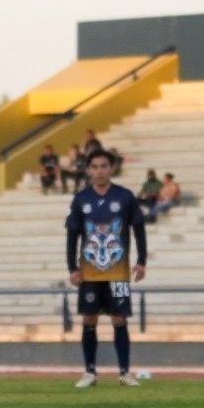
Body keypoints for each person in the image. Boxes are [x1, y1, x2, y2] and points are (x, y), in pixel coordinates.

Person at [67, 148, 147, 387]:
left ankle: (124, 372)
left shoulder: (124, 196)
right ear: (88, 169)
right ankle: (90, 372)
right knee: (89, 319)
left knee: (119, 319)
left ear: (112, 168)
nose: (100, 171)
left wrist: (141, 261)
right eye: (95, 167)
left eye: (104, 166)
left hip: (118, 271)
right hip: (89, 271)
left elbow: (139, 229)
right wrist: (72, 267)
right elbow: (72, 235)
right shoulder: (81, 199)